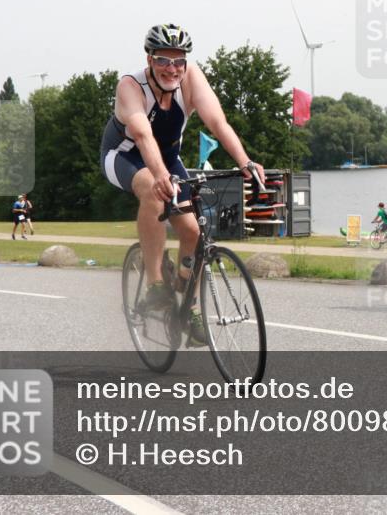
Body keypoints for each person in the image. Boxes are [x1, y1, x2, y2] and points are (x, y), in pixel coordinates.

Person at [101, 23, 265, 346]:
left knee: (192, 231)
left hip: (167, 157)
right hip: (124, 155)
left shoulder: (190, 78)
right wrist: (160, 175)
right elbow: (143, 136)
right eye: (163, 60)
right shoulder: (130, 86)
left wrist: (244, 161)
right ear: (149, 59)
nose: (172, 68)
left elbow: (217, 121)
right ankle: (155, 284)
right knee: (153, 189)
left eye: (178, 61)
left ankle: (188, 304)